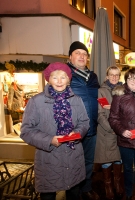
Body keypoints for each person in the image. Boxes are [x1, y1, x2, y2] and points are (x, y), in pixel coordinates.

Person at [20, 62, 90, 200]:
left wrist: (77, 133)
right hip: (48, 158)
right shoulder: (36, 101)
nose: (59, 81)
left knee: (74, 193)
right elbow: (26, 131)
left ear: (68, 80)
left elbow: (84, 122)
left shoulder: (76, 100)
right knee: (48, 195)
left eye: (63, 77)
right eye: (55, 77)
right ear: (48, 79)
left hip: (73, 156)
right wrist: (49, 140)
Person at [108, 68, 135, 200]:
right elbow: (113, 118)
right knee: (126, 168)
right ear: (126, 81)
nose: (134, 81)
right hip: (125, 141)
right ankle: (127, 192)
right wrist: (121, 131)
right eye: (130, 78)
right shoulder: (118, 96)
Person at [67, 41, 100, 200]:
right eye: (77, 53)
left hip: (92, 127)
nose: (81, 56)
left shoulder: (92, 76)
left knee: (88, 161)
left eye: (84, 54)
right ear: (70, 56)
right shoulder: (65, 75)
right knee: (73, 163)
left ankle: (86, 188)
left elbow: (98, 98)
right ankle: (73, 194)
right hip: (73, 128)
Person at [94, 66, 123, 199]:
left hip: (121, 131)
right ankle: (108, 185)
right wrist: (112, 128)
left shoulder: (124, 90)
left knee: (119, 159)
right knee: (107, 161)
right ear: (107, 76)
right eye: (111, 75)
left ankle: (117, 182)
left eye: (117, 75)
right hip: (107, 131)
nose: (114, 77)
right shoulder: (101, 91)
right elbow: (100, 115)